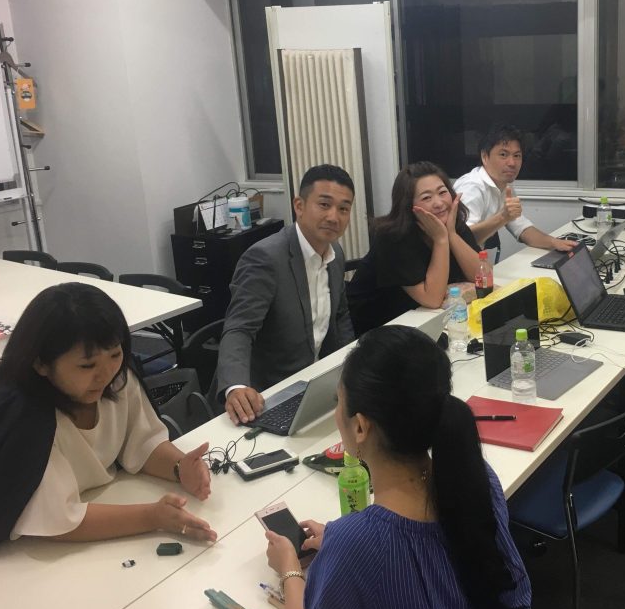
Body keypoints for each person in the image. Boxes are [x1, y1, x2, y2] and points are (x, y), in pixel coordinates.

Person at [263, 325, 532, 609]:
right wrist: (343, 550)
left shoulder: (355, 544)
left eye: (338, 401)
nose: (337, 412)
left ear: (360, 427)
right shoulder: (476, 477)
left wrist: (289, 568)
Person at [0, 282, 216, 565]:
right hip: (14, 556)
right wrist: (152, 517)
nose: (105, 374)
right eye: (87, 366)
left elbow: (142, 442)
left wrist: (179, 467)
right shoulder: (27, 420)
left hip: (91, 520)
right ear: (41, 364)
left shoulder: (117, 381)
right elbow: (59, 521)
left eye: (115, 354)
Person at [217, 164, 356, 425]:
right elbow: (239, 328)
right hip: (266, 396)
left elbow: (340, 317)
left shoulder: (335, 255)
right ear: (299, 206)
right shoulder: (265, 258)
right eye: (324, 205)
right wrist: (236, 386)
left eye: (343, 209)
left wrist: (351, 366)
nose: (333, 216)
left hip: (314, 386)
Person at [346, 162, 481, 334]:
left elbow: (482, 277)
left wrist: (452, 234)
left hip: (422, 322)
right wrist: (441, 239)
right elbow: (432, 299)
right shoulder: (393, 238)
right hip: (376, 329)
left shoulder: (452, 223)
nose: (439, 203)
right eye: (426, 198)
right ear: (408, 206)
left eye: (442, 192)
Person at [453, 125, 576, 255]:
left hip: (474, 257)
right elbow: (462, 239)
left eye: (517, 155)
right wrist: (502, 217)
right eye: (503, 155)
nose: (512, 163)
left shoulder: (504, 184)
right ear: (485, 156)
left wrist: (554, 243)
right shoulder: (472, 187)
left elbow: (521, 227)